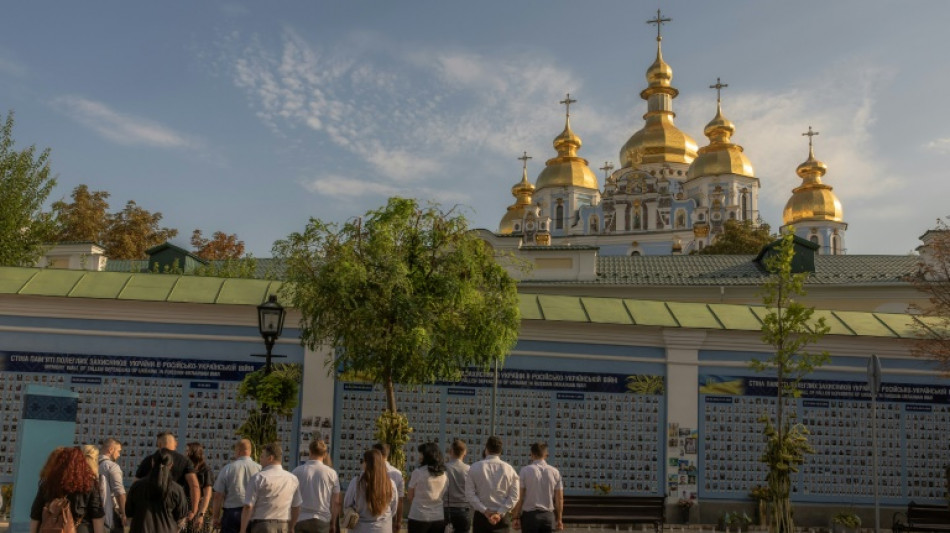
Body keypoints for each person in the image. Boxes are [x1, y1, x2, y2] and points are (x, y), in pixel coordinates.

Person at [30, 447, 105, 533]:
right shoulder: (89, 484)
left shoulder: (48, 484)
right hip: (81, 529)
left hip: (51, 528)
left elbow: (36, 514)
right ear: (81, 463)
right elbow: (97, 515)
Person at [135, 432, 201, 524]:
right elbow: (194, 486)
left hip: (150, 508)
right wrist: (194, 510)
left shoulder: (149, 459)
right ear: (175, 444)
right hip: (174, 506)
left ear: (159, 444)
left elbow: (136, 484)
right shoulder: (185, 461)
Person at [240, 442, 302, 533]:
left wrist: (242, 529)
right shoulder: (292, 479)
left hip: (262, 525)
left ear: (270, 458)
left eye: (262, 457)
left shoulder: (258, 477)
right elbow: (296, 506)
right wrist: (292, 526)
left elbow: (248, 506)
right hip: (284, 525)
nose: (260, 460)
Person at [464, 436, 519, 533]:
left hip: (481, 518)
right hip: (502, 519)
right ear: (500, 451)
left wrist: (485, 510)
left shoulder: (474, 467)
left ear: (486, 449)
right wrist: (499, 513)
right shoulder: (509, 469)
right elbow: (514, 496)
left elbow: (469, 494)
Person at [126, 449, 189, 533]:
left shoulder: (137, 486)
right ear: (171, 465)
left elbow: (129, 513)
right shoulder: (177, 489)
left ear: (152, 462)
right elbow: (181, 518)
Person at [511, 444, 563, 533]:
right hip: (548, 517)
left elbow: (519, 496)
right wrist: (559, 519)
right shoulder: (555, 472)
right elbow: (560, 498)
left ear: (531, 454)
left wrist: (516, 517)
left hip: (530, 517)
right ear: (546, 454)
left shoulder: (525, 471)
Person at [212, 439, 262, 533]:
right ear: (250, 451)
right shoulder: (260, 469)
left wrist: (215, 517)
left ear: (238, 451)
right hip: (253, 514)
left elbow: (218, 496)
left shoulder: (227, 469)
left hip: (231, 514)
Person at [342, 450, 398, 533]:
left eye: (362, 461)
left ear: (367, 464)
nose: (361, 464)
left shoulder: (356, 483)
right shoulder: (390, 484)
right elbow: (394, 508)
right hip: (383, 528)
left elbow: (347, 504)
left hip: (360, 528)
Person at [291, 440, 340, 533]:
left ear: (310, 451)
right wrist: (333, 523)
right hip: (322, 521)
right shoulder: (332, 473)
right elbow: (336, 502)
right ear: (325, 454)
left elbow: (290, 499)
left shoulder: (296, 471)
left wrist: (291, 524)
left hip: (301, 519)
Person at [406, 443, 446, 533]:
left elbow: (409, 496)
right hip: (438, 516)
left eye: (421, 453)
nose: (419, 456)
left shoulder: (418, 472)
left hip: (418, 516)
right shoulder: (444, 474)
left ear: (427, 455)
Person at [371, 444, 404, 533]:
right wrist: (398, 521)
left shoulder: (366, 472)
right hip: (388, 516)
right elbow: (399, 500)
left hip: (368, 516)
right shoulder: (397, 473)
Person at [98, 438, 127, 533]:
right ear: (110, 450)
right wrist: (124, 514)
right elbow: (119, 493)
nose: (119, 455)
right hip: (109, 512)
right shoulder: (112, 466)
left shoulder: (89, 464)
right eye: (118, 451)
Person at [443, 439, 472, 533]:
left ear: (451, 452)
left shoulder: (443, 468)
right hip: (463, 509)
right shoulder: (469, 469)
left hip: (445, 509)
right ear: (465, 453)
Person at [187, 442, 214, 533]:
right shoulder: (186, 469)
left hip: (200, 509)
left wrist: (201, 514)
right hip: (187, 510)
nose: (185, 453)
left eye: (187, 451)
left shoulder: (205, 470)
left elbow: (207, 495)